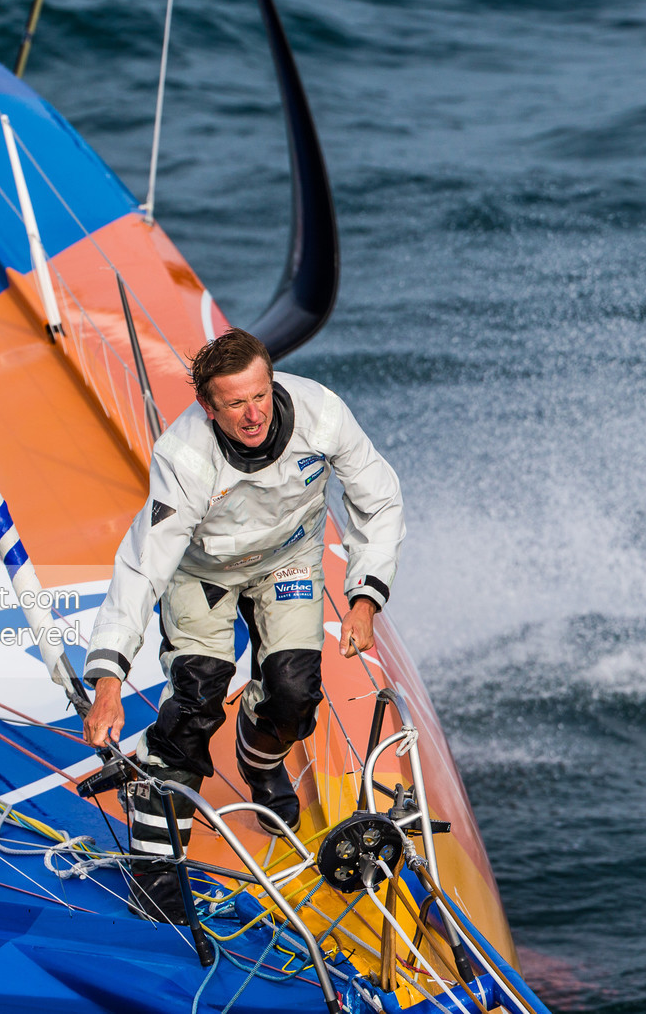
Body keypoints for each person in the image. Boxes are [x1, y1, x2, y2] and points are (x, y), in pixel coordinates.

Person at [81, 328, 405, 923]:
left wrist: (365, 598)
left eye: (260, 395)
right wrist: (106, 678)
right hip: (203, 572)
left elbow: (379, 501)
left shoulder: (322, 415)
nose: (254, 414)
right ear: (210, 407)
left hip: (290, 559)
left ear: (271, 381)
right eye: (235, 404)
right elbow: (140, 566)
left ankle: (258, 760)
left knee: (292, 696)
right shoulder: (183, 459)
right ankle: (156, 867)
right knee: (196, 700)